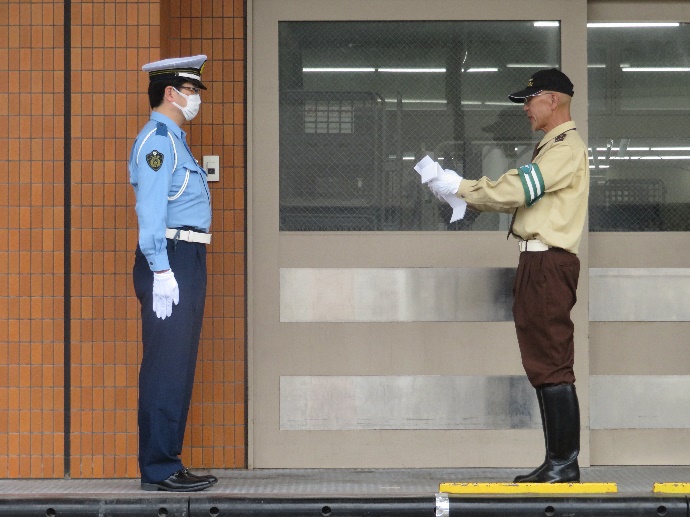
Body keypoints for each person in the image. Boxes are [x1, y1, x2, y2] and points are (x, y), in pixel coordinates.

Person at [427, 68, 589, 483]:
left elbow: (519, 190)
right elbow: (517, 195)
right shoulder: (552, 146)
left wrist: (461, 187)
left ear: (552, 100)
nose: (525, 109)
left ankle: (563, 463)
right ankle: (556, 460)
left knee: (551, 361)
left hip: (548, 264)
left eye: (530, 100)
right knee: (542, 360)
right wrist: (469, 195)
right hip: (539, 263)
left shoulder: (565, 149)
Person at [129, 55, 217, 492]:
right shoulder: (159, 142)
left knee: (177, 366)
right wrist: (161, 269)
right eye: (192, 90)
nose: (196, 99)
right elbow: (150, 212)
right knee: (166, 367)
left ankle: (168, 461)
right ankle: (159, 468)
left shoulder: (176, 141)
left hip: (187, 258)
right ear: (171, 92)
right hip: (171, 259)